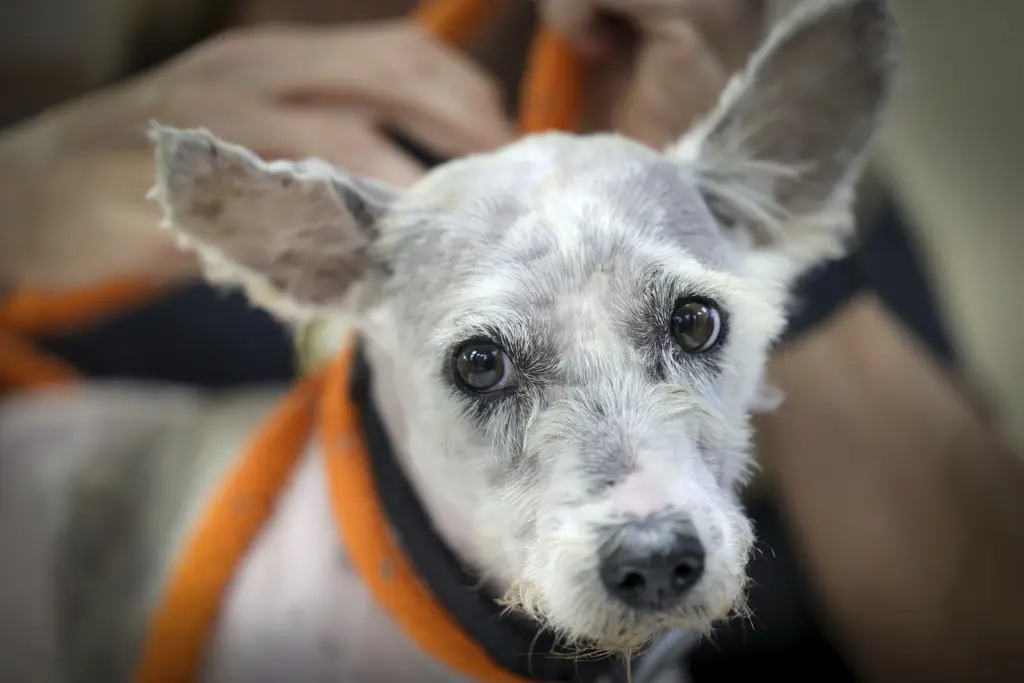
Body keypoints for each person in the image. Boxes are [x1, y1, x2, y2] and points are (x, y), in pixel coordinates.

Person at [0, 1, 1021, 681]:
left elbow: (986, 639)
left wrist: (766, 241)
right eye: (485, 364)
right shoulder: (66, 134)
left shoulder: (678, 81)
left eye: (691, 322)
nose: (647, 525)